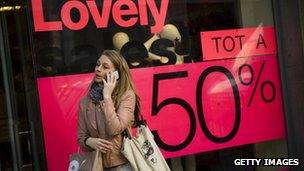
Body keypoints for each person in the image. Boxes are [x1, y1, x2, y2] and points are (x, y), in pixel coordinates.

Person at [77, 50, 141, 171]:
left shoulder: (127, 96)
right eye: (97, 64)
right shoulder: (84, 102)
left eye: (105, 67)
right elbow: (81, 138)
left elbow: (115, 129)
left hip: (123, 165)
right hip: (97, 165)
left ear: (117, 73)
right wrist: (89, 141)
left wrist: (107, 97)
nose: (98, 69)